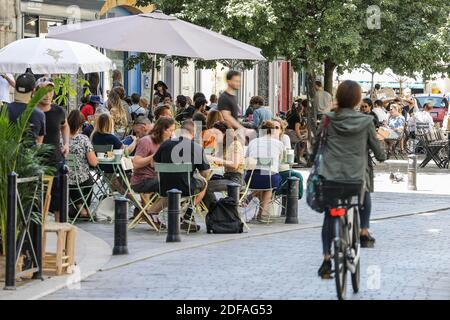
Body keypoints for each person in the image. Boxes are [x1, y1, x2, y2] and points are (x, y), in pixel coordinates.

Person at [311, 80, 386, 279]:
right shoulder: (366, 121)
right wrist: (382, 147)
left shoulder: (327, 119)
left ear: (338, 97)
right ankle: (363, 230)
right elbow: (379, 154)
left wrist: (310, 159)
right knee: (365, 192)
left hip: (330, 177)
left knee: (330, 216)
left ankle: (327, 259)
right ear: (357, 99)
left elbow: (316, 145)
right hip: (356, 178)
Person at [151, 120, 211, 231]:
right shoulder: (196, 147)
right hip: (186, 188)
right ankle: (188, 213)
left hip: (164, 186)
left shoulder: (165, 144)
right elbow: (205, 172)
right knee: (204, 183)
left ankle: (153, 212)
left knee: (172, 186)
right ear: (193, 133)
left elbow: (153, 164)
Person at [36, 77, 70, 220]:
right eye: (44, 91)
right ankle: (39, 234)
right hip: (36, 161)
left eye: (50, 91)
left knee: (59, 199)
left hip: (56, 160)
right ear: (35, 92)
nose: (48, 94)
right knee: (38, 201)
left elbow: (65, 125)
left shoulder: (58, 111)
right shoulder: (30, 111)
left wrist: (66, 143)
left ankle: (60, 236)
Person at [245, 120, 285, 223]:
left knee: (264, 180)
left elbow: (247, 160)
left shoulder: (253, 142)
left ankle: (253, 197)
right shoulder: (279, 144)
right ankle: (262, 214)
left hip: (251, 178)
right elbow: (280, 163)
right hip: (269, 178)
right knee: (269, 185)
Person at [131, 117, 176, 195]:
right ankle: (159, 207)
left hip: (157, 177)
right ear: (162, 130)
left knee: (182, 182)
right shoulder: (146, 141)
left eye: (173, 131)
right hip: (143, 181)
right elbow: (136, 164)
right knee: (173, 185)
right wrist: (156, 155)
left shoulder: (167, 142)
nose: (172, 134)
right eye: (171, 131)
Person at [67, 110, 98, 219]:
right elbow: (93, 162)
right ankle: (83, 208)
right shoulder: (83, 139)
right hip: (81, 178)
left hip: (63, 178)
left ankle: (78, 207)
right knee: (88, 181)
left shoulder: (61, 138)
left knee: (72, 181)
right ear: (80, 124)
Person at [203, 129, 245, 208]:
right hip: (228, 177)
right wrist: (213, 157)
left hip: (235, 180)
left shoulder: (235, 144)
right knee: (203, 184)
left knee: (205, 186)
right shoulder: (228, 145)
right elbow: (220, 161)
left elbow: (234, 165)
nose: (214, 137)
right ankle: (217, 211)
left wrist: (216, 159)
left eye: (216, 134)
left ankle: (216, 211)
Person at [7, 73, 46, 145]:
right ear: (34, 90)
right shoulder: (39, 114)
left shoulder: (3, 109)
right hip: (28, 155)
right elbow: (38, 144)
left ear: (15, 87)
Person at [285, 100, 308, 165]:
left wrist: (306, 125)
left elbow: (298, 128)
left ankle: (298, 158)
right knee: (304, 141)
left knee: (302, 138)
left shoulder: (289, 114)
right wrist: (300, 138)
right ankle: (300, 158)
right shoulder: (297, 117)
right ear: (301, 109)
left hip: (287, 133)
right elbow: (297, 129)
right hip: (292, 134)